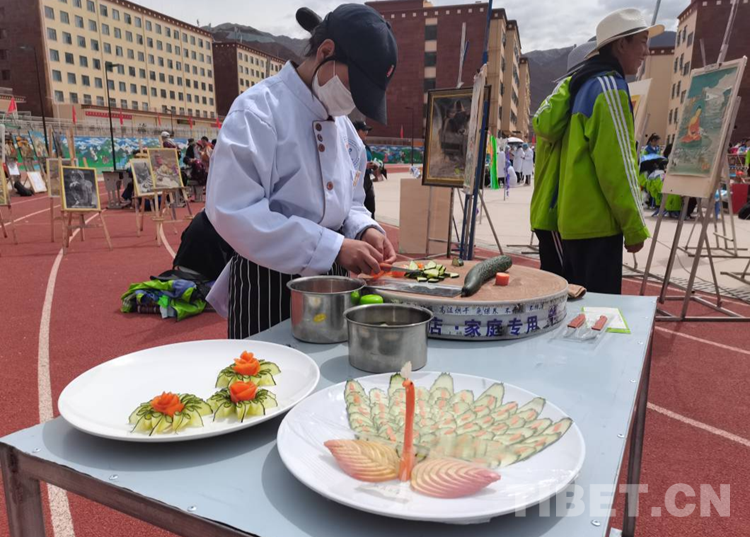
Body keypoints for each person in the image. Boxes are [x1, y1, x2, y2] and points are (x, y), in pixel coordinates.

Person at [205, 4, 398, 339]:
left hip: (334, 278)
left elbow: (352, 201)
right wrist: (334, 247)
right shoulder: (258, 111)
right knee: (265, 369)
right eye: (354, 87)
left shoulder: (346, 131)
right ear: (325, 52)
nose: (353, 102)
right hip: (266, 281)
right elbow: (233, 210)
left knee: (329, 366)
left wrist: (364, 229)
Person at [557, 8, 663, 294]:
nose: (646, 51)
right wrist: (634, 226)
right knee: (599, 312)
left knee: (578, 310)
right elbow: (617, 165)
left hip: (575, 222)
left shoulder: (584, 85)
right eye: (642, 42)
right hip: (598, 225)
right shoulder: (610, 88)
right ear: (621, 45)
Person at [353, 120, 376, 218]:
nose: (366, 132)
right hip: (356, 178)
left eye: (367, 130)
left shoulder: (365, 146)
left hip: (367, 179)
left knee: (371, 208)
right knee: (357, 206)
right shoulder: (351, 145)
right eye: (364, 130)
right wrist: (363, 165)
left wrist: (375, 165)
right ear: (356, 131)